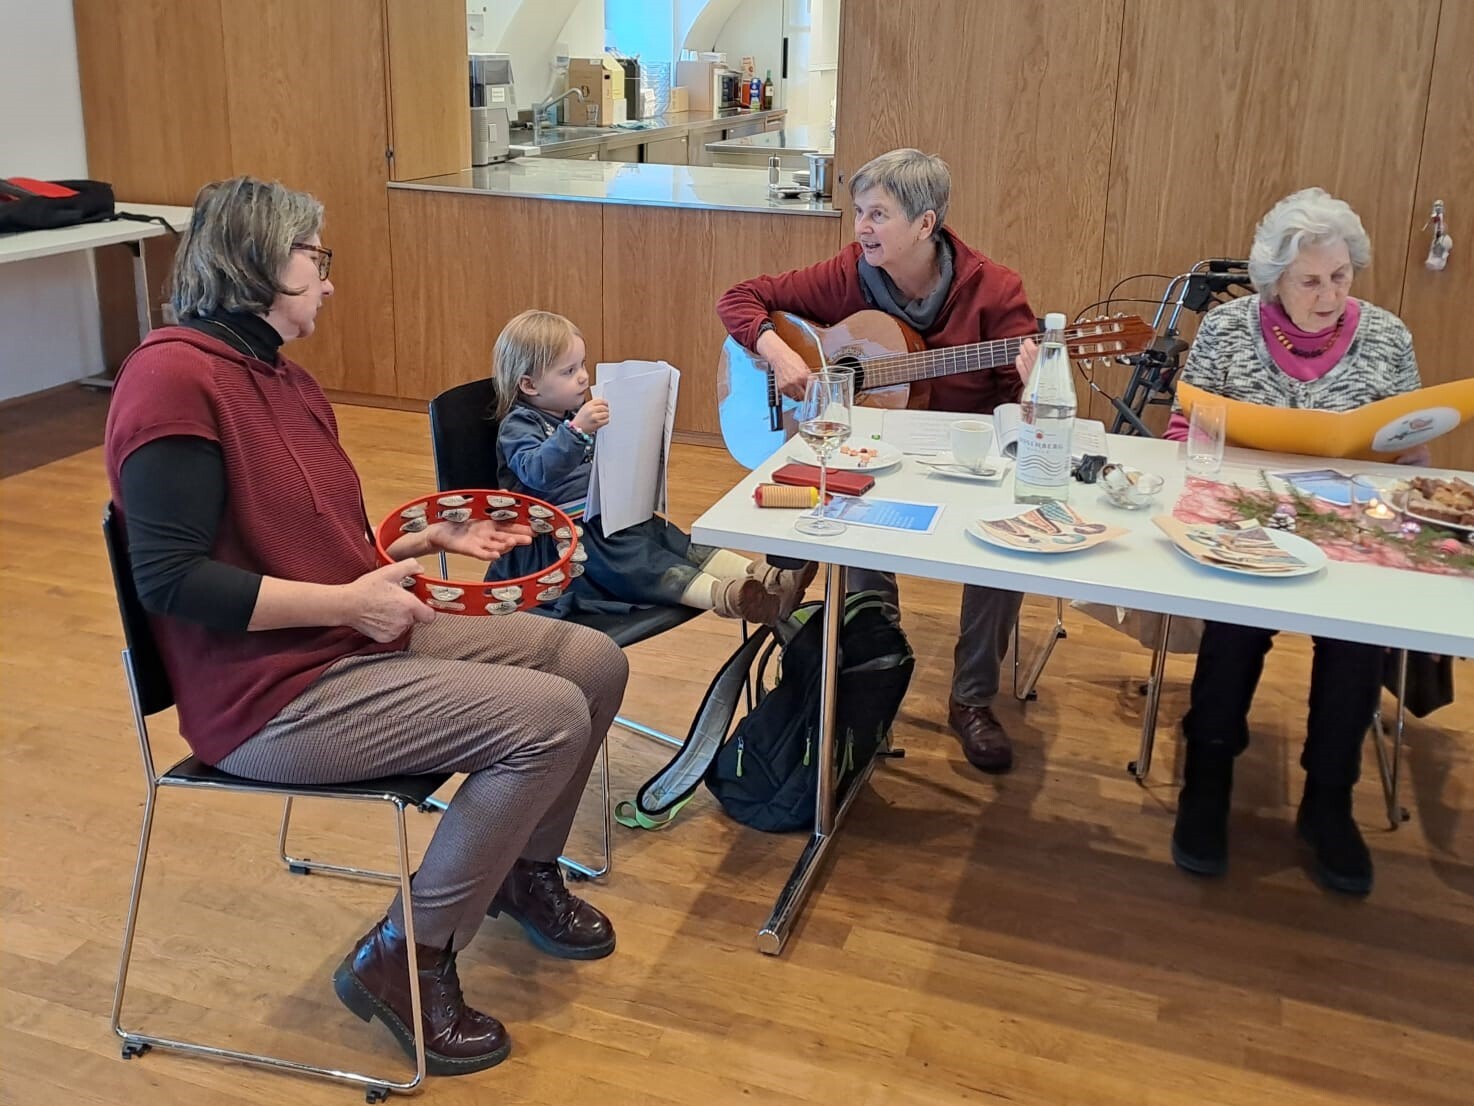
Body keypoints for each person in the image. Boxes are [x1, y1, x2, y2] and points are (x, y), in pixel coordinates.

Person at [104, 177, 631, 1078]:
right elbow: (172, 580)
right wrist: (351, 604)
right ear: (257, 261)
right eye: (315, 258)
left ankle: (519, 868)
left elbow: (304, 536)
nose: (328, 280)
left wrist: (420, 541)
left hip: (341, 643)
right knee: (546, 718)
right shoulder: (172, 381)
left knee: (591, 661)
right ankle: (405, 958)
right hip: (267, 696)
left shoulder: (281, 377)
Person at [717, 148, 1038, 773]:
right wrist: (779, 352)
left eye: (878, 215)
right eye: (859, 211)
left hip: (963, 455)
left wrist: (1033, 390)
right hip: (870, 454)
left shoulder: (995, 289)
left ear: (925, 224)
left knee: (1004, 550)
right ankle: (875, 668)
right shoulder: (850, 273)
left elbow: (1017, 403)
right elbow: (741, 298)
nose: (861, 227)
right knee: (856, 533)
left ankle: (972, 699)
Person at [1166, 187, 1424, 895]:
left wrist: (1409, 457)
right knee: (1234, 623)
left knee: (1357, 637)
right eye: (1310, 281)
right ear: (1274, 279)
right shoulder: (1227, 330)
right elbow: (1187, 430)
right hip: (1244, 521)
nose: (1329, 295)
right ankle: (1208, 777)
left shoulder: (1387, 337)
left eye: (1341, 276)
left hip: (1350, 529)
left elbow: (1411, 449)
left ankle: (1328, 799)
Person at [489, 308, 815, 623]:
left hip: (604, 519)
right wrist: (577, 432)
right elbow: (537, 472)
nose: (583, 377)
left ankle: (765, 578)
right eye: (568, 372)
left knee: (671, 539)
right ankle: (725, 595)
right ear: (529, 385)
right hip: (565, 541)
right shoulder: (519, 425)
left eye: (582, 365)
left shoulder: (572, 414)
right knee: (640, 561)